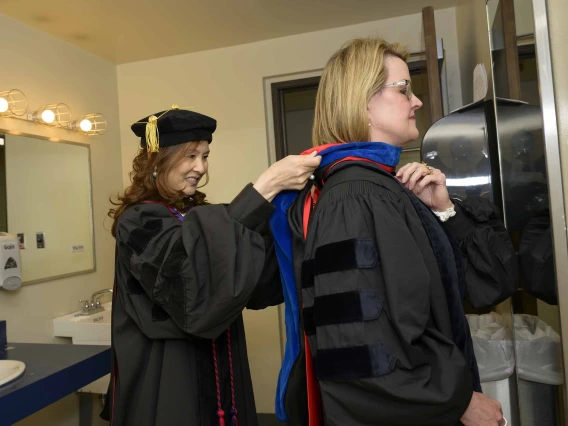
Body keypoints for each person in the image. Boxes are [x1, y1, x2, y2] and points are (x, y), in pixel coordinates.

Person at [271, 38, 517, 426]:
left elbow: (485, 286)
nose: (416, 101)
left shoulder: (388, 189)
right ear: (362, 102)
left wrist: (446, 210)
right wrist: (458, 402)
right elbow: (361, 350)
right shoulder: (355, 196)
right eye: (403, 89)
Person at [104, 105, 320, 426]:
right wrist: (263, 189)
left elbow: (245, 278)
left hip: (222, 370)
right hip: (169, 378)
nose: (201, 167)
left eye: (205, 156)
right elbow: (190, 286)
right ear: (156, 160)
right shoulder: (139, 220)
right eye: (190, 156)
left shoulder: (194, 215)